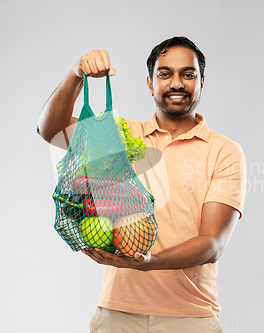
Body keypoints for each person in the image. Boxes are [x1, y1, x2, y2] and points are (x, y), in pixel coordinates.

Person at [37, 36, 246, 332]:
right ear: (150, 83)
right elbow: (50, 129)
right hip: (118, 315)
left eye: (188, 74)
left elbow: (212, 244)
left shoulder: (224, 151)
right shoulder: (120, 135)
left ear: (201, 83)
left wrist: (151, 261)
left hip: (190, 318)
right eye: (165, 74)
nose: (177, 83)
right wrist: (76, 75)